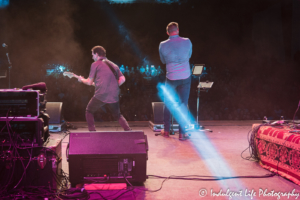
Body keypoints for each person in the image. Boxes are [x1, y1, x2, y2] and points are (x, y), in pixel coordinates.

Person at [78, 46, 131, 131]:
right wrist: (112, 86)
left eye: (92, 55)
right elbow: (123, 79)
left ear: (96, 54)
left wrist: (81, 79)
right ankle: (128, 130)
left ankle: (92, 132)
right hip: (114, 95)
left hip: (101, 95)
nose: (92, 57)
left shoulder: (95, 64)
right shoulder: (113, 65)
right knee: (117, 115)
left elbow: (89, 82)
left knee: (89, 111)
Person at [159, 22, 192, 141]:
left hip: (171, 77)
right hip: (185, 76)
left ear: (167, 32)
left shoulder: (162, 45)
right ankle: (182, 134)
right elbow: (189, 56)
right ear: (177, 30)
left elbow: (163, 61)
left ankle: (166, 131)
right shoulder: (187, 41)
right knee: (183, 104)